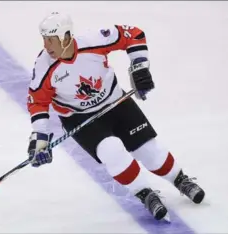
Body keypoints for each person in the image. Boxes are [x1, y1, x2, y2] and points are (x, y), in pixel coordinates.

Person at [26, 12, 205, 221]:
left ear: (66, 36)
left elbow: (133, 34)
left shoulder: (93, 41)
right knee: (111, 150)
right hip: (80, 118)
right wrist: (40, 138)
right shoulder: (44, 66)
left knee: (149, 151)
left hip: (116, 102)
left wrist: (140, 68)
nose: (46, 46)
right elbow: (38, 101)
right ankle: (144, 192)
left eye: (51, 39)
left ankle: (179, 179)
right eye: (44, 39)